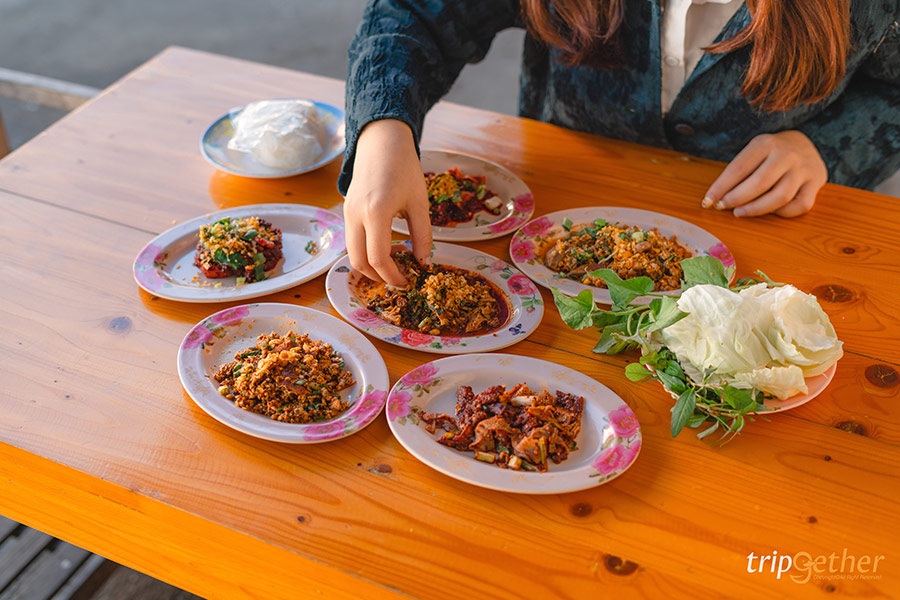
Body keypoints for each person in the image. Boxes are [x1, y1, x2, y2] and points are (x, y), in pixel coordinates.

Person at [339, 0, 900, 285]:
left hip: (769, 248)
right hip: (549, 235)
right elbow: (413, 15)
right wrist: (383, 128)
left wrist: (827, 145)